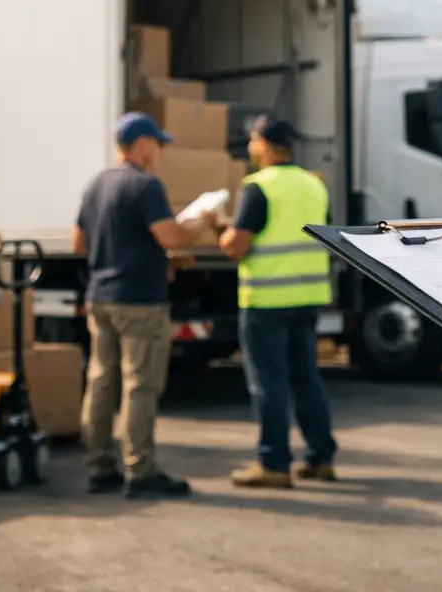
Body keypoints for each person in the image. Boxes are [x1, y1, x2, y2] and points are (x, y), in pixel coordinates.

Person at [74, 111, 207, 499]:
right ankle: (141, 471)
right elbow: (170, 237)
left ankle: (99, 467)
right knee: (141, 385)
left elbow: (78, 243)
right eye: (158, 145)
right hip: (139, 301)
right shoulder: (145, 185)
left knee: (101, 382)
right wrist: (199, 224)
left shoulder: (96, 185)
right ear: (143, 144)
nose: (160, 153)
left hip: (100, 297)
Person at [210, 115, 338, 488]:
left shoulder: (258, 186)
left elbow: (237, 246)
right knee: (306, 378)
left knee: (268, 383)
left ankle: (274, 464)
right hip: (308, 296)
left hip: (266, 300)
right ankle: (320, 457)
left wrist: (219, 229)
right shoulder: (314, 184)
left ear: (264, 144)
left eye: (252, 140)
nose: (250, 147)